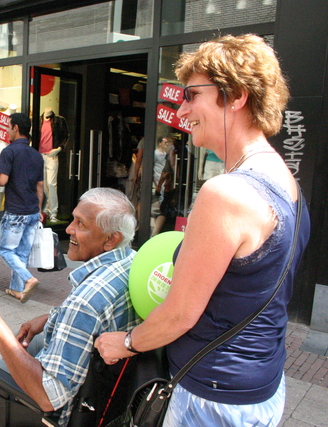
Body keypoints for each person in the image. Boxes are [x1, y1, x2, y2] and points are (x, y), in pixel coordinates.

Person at [94, 34, 311, 426]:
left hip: (211, 397)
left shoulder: (226, 192)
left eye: (193, 94)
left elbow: (179, 315)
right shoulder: (285, 179)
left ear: (237, 95)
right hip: (260, 385)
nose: (182, 106)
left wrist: (124, 343)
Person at [0, 188, 140, 427]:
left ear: (110, 239)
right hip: (105, 394)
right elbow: (91, 317)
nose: (68, 229)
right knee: (33, 342)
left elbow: (49, 398)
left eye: (81, 224)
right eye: (73, 219)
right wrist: (52, 317)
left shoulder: (85, 303)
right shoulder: (131, 262)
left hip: (59, 413)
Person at [0, 113, 44, 303]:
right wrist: (39, 210)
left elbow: (3, 179)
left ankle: (28, 279)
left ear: (15, 128)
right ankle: (16, 290)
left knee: (5, 250)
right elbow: (40, 186)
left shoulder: (9, 151)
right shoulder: (37, 155)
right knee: (21, 253)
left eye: (8, 126)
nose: (7, 130)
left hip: (15, 211)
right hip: (31, 211)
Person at [39, 107, 69, 223]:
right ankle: (46, 209)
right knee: (43, 184)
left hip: (52, 155)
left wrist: (59, 148)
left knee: (51, 184)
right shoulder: (38, 121)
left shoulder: (59, 121)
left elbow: (66, 136)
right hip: (40, 156)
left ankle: (53, 212)